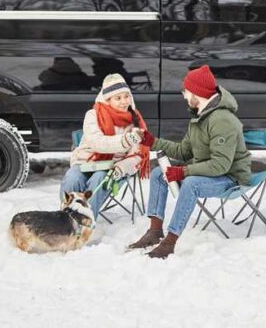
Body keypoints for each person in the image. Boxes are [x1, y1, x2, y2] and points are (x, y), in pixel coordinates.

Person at [128, 65, 251, 259]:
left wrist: (184, 172)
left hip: (230, 177)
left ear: (198, 93)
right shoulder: (198, 116)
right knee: (159, 174)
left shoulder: (222, 120)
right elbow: (184, 151)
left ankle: (170, 242)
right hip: (208, 172)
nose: (184, 95)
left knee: (191, 184)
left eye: (186, 91)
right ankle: (154, 231)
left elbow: (221, 165)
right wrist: (152, 141)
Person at [60, 73, 150, 217]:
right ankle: (65, 220)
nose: (124, 102)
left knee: (99, 177)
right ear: (107, 100)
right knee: (73, 178)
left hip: (113, 168)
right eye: (118, 98)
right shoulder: (93, 114)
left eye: (126, 96)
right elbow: (97, 142)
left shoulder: (135, 121)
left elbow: (138, 155)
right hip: (86, 162)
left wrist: (122, 168)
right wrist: (125, 140)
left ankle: (86, 223)